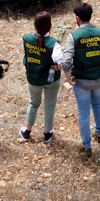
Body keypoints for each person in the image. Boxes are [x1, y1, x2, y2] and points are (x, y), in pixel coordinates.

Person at [62, 3, 100, 155]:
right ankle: (99, 133)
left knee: (83, 113)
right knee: (97, 103)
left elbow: (66, 62)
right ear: (90, 16)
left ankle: (87, 146)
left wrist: (68, 79)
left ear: (78, 19)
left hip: (81, 82)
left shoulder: (73, 37)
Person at [19, 11, 64, 144]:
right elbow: (61, 63)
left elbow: (26, 54)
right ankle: (47, 132)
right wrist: (56, 67)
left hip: (33, 78)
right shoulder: (53, 44)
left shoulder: (26, 39)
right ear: (49, 27)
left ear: (35, 25)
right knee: (49, 105)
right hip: (51, 80)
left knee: (33, 103)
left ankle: (27, 131)